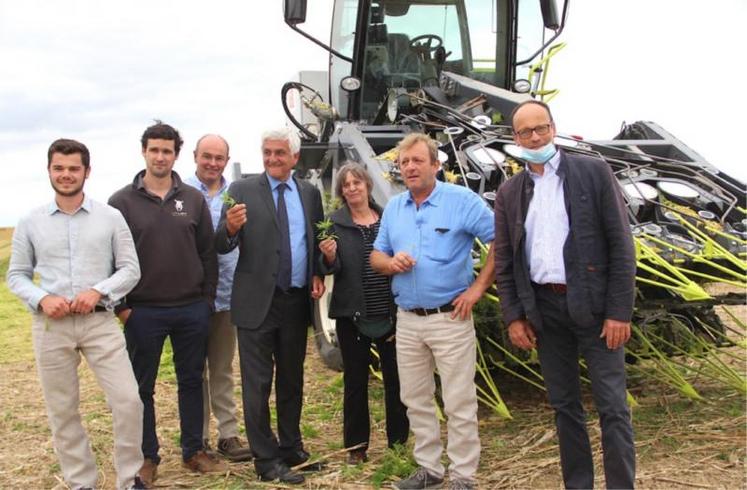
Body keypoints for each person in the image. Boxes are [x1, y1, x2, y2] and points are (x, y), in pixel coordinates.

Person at [493, 100, 636, 489]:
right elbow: (506, 260)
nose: (535, 137)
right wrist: (514, 316)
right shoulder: (511, 192)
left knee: (612, 407)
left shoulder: (592, 172)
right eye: (526, 132)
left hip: (594, 306)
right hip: (545, 310)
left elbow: (621, 244)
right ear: (515, 138)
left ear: (553, 128)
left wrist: (619, 311)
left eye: (541, 128)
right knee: (565, 407)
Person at [7, 139, 145, 489]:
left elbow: (130, 269)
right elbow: (17, 275)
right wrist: (41, 299)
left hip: (99, 322)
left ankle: (129, 479)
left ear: (87, 171)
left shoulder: (111, 218)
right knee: (63, 409)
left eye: (73, 168)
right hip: (51, 327)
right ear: (49, 170)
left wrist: (98, 290)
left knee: (128, 401)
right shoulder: (30, 221)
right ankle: (80, 481)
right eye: (59, 168)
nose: (66, 175)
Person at [371, 133, 496, 490]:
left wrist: (477, 289)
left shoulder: (461, 201)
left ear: (436, 165)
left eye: (417, 161)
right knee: (415, 398)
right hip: (408, 320)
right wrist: (391, 262)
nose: (409, 167)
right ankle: (429, 469)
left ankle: (463, 475)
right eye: (404, 162)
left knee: (458, 399)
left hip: (449, 318)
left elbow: (499, 240)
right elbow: (376, 256)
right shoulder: (395, 207)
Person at [108, 121, 224, 485]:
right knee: (142, 387)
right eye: (154, 149)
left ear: (176, 155)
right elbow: (110, 259)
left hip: (191, 308)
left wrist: (205, 301)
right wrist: (123, 307)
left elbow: (208, 254)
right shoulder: (121, 202)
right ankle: (147, 456)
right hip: (142, 311)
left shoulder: (192, 199)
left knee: (192, 380)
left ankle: (193, 450)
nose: (160, 156)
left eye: (167, 150)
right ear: (144, 151)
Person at [215, 127, 325, 485]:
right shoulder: (241, 190)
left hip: (295, 302)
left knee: (292, 380)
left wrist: (320, 271)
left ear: (295, 157)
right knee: (257, 384)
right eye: (267, 152)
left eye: (280, 153)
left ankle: (291, 448)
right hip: (255, 305)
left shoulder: (309, 193)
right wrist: (230, 229)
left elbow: (318, 237)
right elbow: (220, 243)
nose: (273, 159)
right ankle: (266, 460)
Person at [317, 162, 409, 465]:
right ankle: (356, 448)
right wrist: (328, 258)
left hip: (390, 312)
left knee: (396, 382)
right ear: (342, 192)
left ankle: (398, 443)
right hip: (352, 315)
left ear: (368, 185)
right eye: (346, 184)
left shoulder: (389, 218)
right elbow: (330, 269)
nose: (352, 188)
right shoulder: (334, 223)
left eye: (357, 182)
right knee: (355, 383)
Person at [184, 134, 252, 462]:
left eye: (219, 158)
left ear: (227, 160)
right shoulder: (179, 192)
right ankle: (198, 439)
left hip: (227, 296)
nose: (212, 163)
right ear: (195, 156)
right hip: (190, 298)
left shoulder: (235, 194)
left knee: (223, 369)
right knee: (194, 371)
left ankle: (228, 434)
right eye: (206, 156)